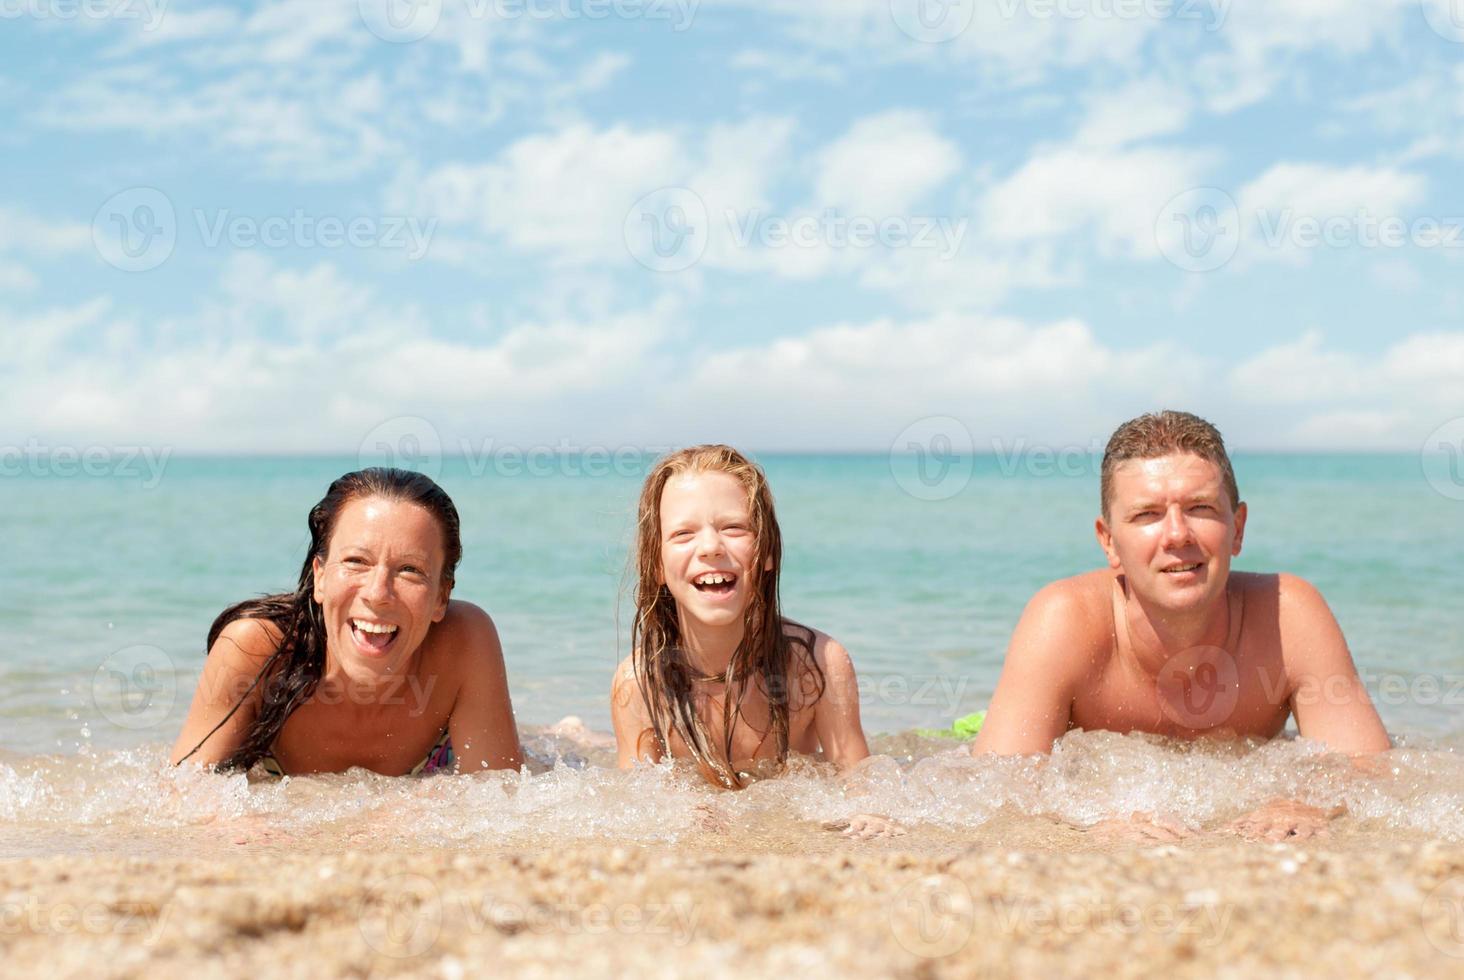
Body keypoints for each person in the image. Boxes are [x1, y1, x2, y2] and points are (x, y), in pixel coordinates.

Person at [972, 411, 1390, 840]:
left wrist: (1303, 803)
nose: (1176, 534)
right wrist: (1089, 822)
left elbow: (1371, 767)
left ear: (1238, 528)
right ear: (1109, 541)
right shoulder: (1064, 621)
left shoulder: (1288, 616)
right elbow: (996, 790)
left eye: (1200, 508)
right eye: (1147, 514)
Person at [610, 446, 893, 835]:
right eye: (683, 533)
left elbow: (857, 775)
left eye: (733, 528)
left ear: (766, 552)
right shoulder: (638, 684)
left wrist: (870, 814)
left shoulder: (819, 664)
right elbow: (636, 799)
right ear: (656, 564)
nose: (710, 547)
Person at [172, 467, 522, 775]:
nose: (377, 592)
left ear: (441, 597)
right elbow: (183, 798)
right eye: (356, 561)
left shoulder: (463, 642)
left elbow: (500, 800)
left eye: (410, 570)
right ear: (320, 576)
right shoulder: (256, 650)